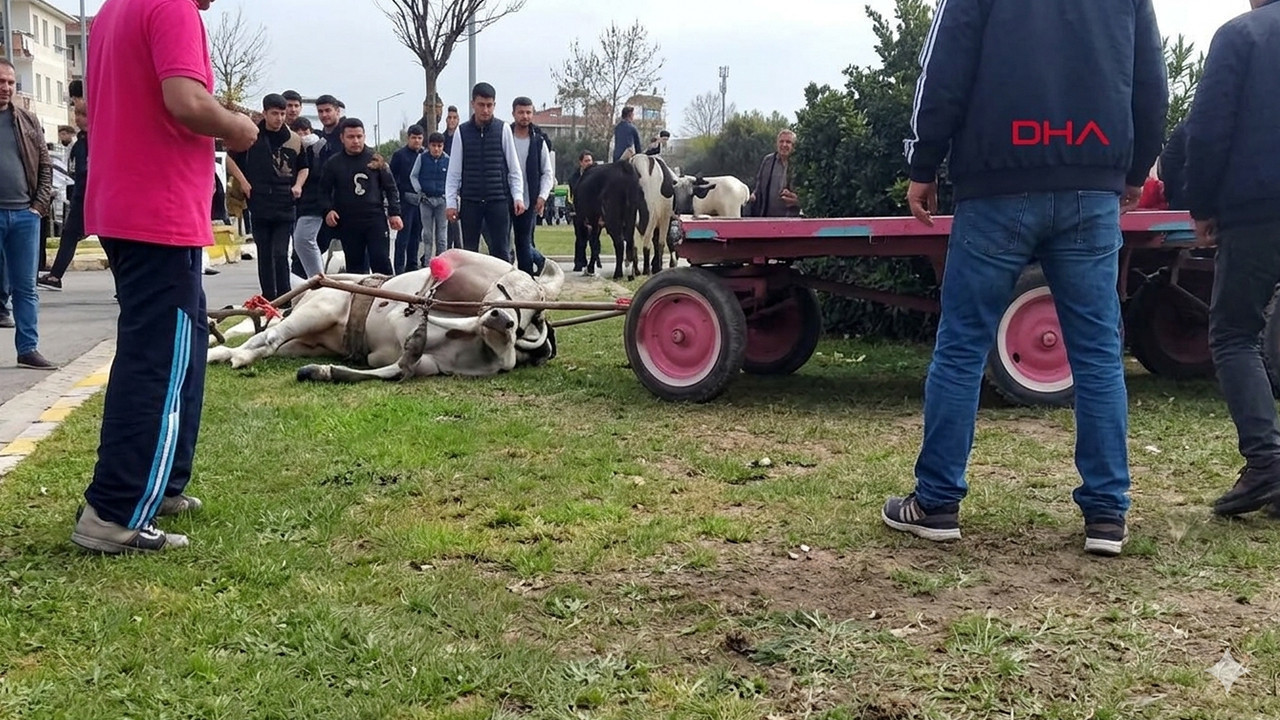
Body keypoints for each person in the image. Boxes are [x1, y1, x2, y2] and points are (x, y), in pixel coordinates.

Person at [882, 0, 1167, 557]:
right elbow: (1149, 78)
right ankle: (1106, 515)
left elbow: (943, 65)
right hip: (1092, 181)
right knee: (1097, 354)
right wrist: (1134, 169)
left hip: (996, 183)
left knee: (963, 346)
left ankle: (936, 503)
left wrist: (923, 164)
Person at [73, 0, 260, 554]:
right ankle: (116, 510)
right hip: (157, 210)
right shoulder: (172, 7)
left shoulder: (113, 10)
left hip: (124, 202)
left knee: (178, 347)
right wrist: (237, 128)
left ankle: (162, 484)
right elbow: (185, 101)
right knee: (159, 358)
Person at [1183, 0, 1280, 518]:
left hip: (1260, 207)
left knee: (1234, 332)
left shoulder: (1241, 36)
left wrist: (1202, 205)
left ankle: (1267, 463)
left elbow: (1210, 129)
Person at [226, 93, 308, 301]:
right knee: (264, 253)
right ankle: (269, 297)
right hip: (259, 202)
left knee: (280, 253)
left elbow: (304, 167)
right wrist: (244, 183)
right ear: (265, 113)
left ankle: (284, 296)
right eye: (274, 113)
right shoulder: (251, 136)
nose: (279, 118)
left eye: (282, 113)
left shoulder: (294, 139)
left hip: (285, 203)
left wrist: (298, 186)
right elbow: (229, 159)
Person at [0, 58, 55, 369]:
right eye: (0, 82)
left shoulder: (28, 121)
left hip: (24, 216)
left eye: (10, 82)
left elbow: (45, 166)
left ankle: (28, 349)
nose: (5, 88)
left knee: (25, 287)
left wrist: (38, 207)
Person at [444, 82, 525, 263]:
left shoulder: (503, 129)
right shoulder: (461, 132)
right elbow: (454, 172)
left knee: (501, 251)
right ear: (473, 104)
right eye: (481, 105)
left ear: (494, 105)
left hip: (498, 201)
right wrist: (450, 203)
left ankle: (503, 288)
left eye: (490, 105)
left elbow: (514, 168)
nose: (486, 110)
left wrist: (518, 196)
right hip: (470, 201)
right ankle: (470, 291)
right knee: (469, 253)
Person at [320, 117, 402, 275]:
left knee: (381, 260)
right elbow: (323, 191)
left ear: (364, 136)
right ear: (342, 138)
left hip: (374, 219)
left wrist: (395, 213)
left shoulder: (376, 159)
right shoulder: (333, 163)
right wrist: (327, 210)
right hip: (348, 221)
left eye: (359, 136)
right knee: (355, 266)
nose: (356, 141)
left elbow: (391, 188)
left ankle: (387, 297)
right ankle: (359, 299)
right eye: (351, 137)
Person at [38, 100, 89, 290]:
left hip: (89, 197)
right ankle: (55, 276)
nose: (78, 119)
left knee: (107, 241)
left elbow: (85, 171)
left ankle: (55, 276)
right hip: (80, 197)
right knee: (69, 235)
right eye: (76, 114)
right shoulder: (80, 143)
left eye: (83, 115)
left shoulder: (95, 141)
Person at [509, 96, 551, 275]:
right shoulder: (505, 137)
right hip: (504, 199)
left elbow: (547, 172)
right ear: (513, 113)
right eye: (521, 112)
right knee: (502, 243)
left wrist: (542, 196)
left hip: (529, 201)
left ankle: (527, 278)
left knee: (523, 242)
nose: (525, 116)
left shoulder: (538, 142)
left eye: (528, 112)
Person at [289, 116, 327, 278]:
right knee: (301, 247)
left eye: (305, 131)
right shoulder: (293, 150)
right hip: (298, 205)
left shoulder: (320, 149)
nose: (303, 135)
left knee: (305, 241)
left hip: (315, 204)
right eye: (298, 132)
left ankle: (318, 279)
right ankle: (303, 282)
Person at [390, 125, 426, 273]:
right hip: (405, 201)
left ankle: (412, 266)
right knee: (403, 236)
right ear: (408, 138)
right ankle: (398, 268)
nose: (417, 141)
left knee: (416, 235)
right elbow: (392, 178)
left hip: (421, 201)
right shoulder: (400, 155)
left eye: (419, 138)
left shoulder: (425, 154)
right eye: (414, 138)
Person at [411, 131, 450, 262]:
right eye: (433, 145)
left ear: (443, 146)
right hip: (425, 200)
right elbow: (413, 175)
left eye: (439, 146)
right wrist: (419, 190)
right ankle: (427, 262)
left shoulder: (447, 160)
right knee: (427, 234)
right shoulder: (422, 158)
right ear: (429, 146)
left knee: (442, 235)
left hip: (442, 201)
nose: (436, 149)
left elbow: (454, 178)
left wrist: (449, 194)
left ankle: (441, 262)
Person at [747, 130, 801, 218]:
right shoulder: (768, 161)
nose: (784, 145)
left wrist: (798, 201)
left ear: (794, 145)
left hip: (793, 220)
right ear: (776, 144)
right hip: (768, 219)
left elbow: (809, 196)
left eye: (788, 142)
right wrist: (753, 196)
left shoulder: (800, 163)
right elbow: (759, 186)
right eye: (781, 141)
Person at [567, 150, 595, 273]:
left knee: (593, 239)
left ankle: (593, 262)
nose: (589, 163)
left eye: (590, 160)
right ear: (581, 163)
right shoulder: (574, 178)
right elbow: (571, 195)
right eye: (586, 161)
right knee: (580, 238)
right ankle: (579, 262)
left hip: (593, 212)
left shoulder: (596, 175)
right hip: (578, 211)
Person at [443, 104, 463, 250]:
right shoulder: (441, 140)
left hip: (461, 188)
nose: (452, 120)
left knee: (459, 227)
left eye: (454, 118)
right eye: (449, 117)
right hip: (445, 188)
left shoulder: (463, 137)